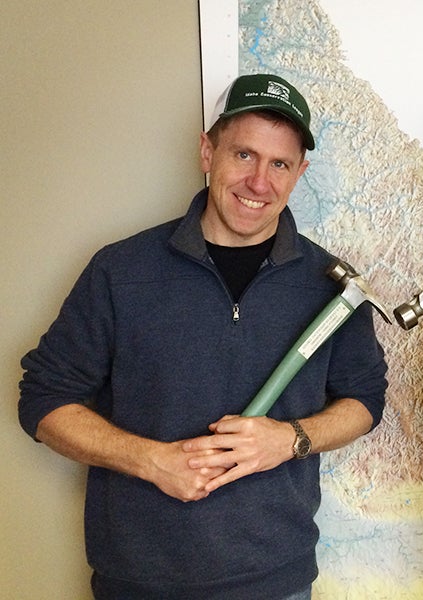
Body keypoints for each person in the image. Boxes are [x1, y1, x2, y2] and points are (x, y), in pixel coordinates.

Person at [18, 73, 387, 600]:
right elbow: (43, 400)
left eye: (279, 164)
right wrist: (150, 460)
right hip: (138, 581)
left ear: (300, 173)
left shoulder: (331, 284)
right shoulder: (120, 270)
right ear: (207, 152)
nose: (259, 182)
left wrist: (291, 440)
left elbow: (365, 399)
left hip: (275, 581)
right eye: (243, 155)